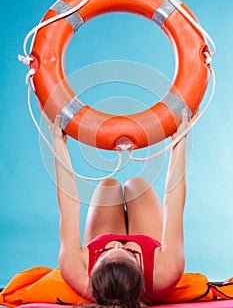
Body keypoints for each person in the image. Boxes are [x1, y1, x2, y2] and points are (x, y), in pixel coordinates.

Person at [42, 108, 193, 307]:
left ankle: (114, 257)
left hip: (100, 237)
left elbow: (69, 207)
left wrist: (58, 142)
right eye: (130, 254)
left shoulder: (75, 270)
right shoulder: (165, 272)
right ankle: (127, 255)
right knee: (136, 185)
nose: (118, 244)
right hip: (148, 240)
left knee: (109, 185)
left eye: (105, 254)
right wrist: (179, 140)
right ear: (142, 282)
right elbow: (173, 203)